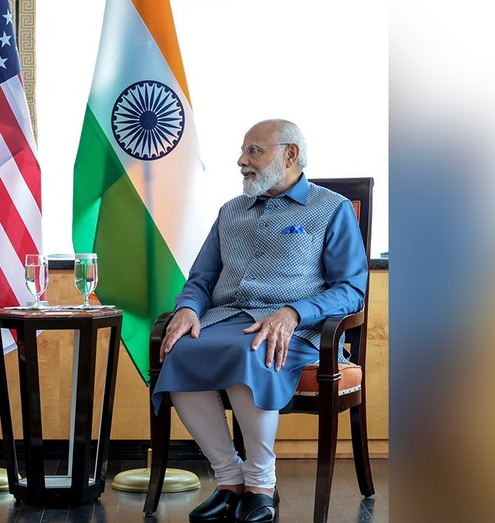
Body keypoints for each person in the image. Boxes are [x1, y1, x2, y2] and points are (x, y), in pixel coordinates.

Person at [151, 119, 367, 523]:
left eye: (254, 151)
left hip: (299, 330)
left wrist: (292, 313)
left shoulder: (332, 209)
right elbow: (201, 279)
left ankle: (261, 486)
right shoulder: (230, 212)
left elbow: (351, 290)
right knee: (177, 349)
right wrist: (187, 309)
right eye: (243, 151)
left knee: (250, 349)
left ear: (290, 155)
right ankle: (230, 480)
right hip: (226, 318)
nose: (241, 161)